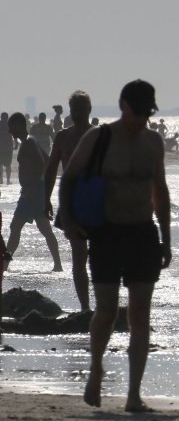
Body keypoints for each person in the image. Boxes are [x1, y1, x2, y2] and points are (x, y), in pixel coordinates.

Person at [59, 80, 171, 413]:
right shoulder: (99, 137)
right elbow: (69, 179)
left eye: (147, 113)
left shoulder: (153, 142)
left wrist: (165, 237)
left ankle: (134, 394)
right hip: (106, 233)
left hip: (142, 233)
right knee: (106, 311)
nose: (141, 120)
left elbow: (160, 191)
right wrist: (69, 220)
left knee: (140, 314)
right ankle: (96, 369)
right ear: (123, 106)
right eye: (137, 113)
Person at [42, 91, 94, 310]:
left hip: (97, 200)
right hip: (71, 200)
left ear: (89, 110)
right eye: (74, 110)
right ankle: (85, 307)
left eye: (81, 110)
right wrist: (46, 199)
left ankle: (103, 305)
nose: (77, 114)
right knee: (79, 255)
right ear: (70, 112)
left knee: (101, 254)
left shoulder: (99, 135)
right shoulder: (63, 137)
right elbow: (52, 169)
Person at [5, 112, 64, 272]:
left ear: (18, 125)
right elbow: (48, 161)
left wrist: (33, 188)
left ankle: (4, 265)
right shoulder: (31, 141)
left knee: (16, 226)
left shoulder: (30, 142)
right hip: (34, 192)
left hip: (31, 193)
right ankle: (58, 264)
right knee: (42, 228)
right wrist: (44, 192)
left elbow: (40, 165)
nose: (10, 132)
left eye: (11, 128)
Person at [0, 111, 12, 184]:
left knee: (0, 165)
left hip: (0, 147)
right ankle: (8, 180)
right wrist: (16, 143)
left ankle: (1, 180)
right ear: (7, 118)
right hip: (8, 147)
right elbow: (14, 134)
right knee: (8, 165)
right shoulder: (10, 125)